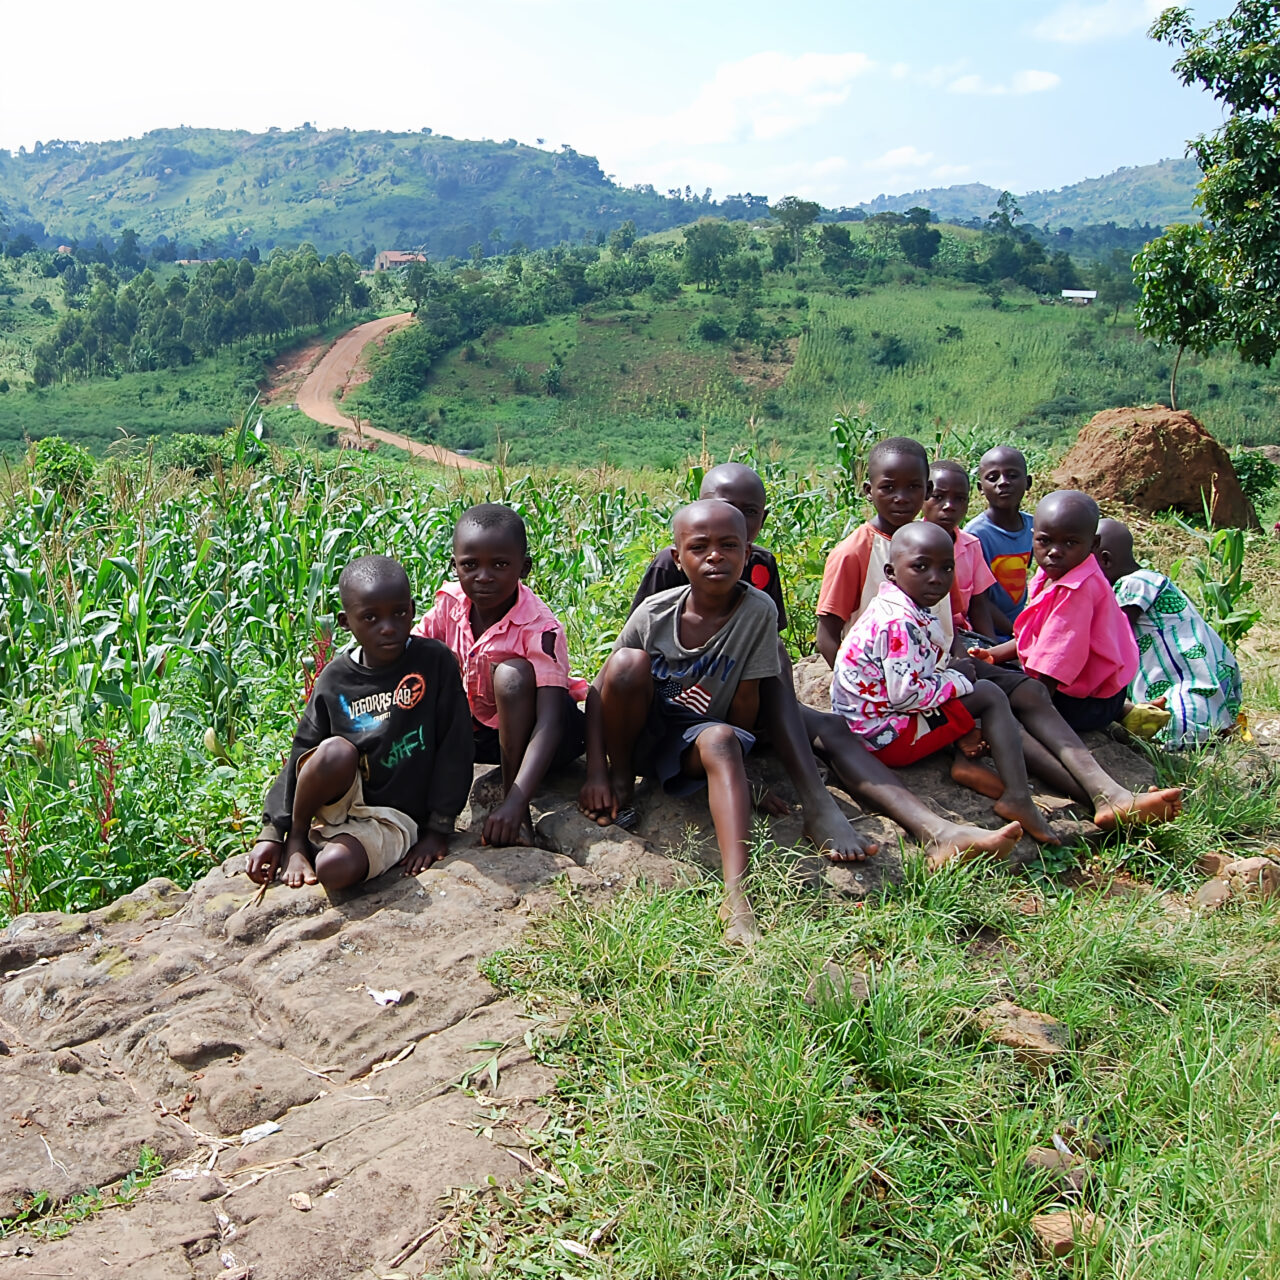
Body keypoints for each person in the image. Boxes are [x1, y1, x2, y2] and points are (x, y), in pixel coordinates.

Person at [628, 461, 876, 862]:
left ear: (759, 522)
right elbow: (636, 653)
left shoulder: (760, 564)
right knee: (776, 682)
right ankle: (814, 798)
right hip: (678, 702)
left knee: (829, 725)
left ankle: (929, 825)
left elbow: (760, 643)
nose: (718, 549)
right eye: (721, 506)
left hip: (737, 692)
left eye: (747, 513)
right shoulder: (670, 565)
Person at [580, 499, 781, 944]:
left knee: (723, 739)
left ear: (748, 553)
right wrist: (597, 770)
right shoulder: (654, 612)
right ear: (677, 558)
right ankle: (621, 781)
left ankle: (737, 895)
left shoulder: (757, 612)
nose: (715, 556)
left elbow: (746, 702)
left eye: (730, 545)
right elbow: (601, 690)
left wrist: (738, 772)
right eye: (699, 547)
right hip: (639, 732)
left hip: (696, 741)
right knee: (628, 665)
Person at [248, 556, 473, 890]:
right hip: (344, 797)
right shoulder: (335, 679)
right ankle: (299, 839)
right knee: (333, 752)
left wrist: (438, 829)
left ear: (412, 609)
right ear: (345, 621)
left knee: (333, 870)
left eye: (399, 613)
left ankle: (327, 845)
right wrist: (273, 832)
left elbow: (456, 746)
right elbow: (302, 753)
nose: (388, 626)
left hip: (394, 816)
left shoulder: (434, 662)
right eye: (370, 617)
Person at [833, 522, 1060, 852]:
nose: (935, 577)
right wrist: (957, 680)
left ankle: (966, 758)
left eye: (946, 567)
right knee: (988, 694)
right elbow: (907, 695)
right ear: (891, 571)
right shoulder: (901, 622)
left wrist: (951, 679)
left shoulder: (896, 605)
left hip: (869, 724)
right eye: (921, 566)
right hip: (885, 738)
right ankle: (1018, 796)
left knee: (965, 688)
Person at [414, 503, 589, 847]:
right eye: (470, 565)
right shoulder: (450, 604)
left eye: (500, 565)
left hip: (551, 734)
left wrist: (515, 803)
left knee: (512, 675)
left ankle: (517, 809)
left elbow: (551, 721)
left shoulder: (539, 627)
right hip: (484, 735)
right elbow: (410, 655)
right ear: (455, 566)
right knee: (423, 661)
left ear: (523, 568)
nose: (483, 576)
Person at [973, 491, 1138, 735]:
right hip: (1093, 690)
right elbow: (1037, 636)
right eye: (1045, 541)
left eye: (1070, 543)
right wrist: (991, 655)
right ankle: (1123, 712)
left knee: (992, 689)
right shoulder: (1053, 573)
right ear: (1034, 538)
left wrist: (1030, 717)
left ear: (1093, 544)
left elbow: (1052, 668)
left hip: (1085, 703)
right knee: (981, 662)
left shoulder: (1078, 591)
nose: (1054, 551)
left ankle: (1113, 716)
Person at [1096, 518, 1242, 746]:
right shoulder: (1152, 580)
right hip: (1196, 679)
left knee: (1174, 727)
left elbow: (1110, 633)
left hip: (1185, 684)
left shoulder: (1134, 583)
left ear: (1105, 560)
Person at [817, 437, 955, 668]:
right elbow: (826, 636)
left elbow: (950, 621)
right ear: (869, 491)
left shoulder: (937, 543)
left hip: (939, 674)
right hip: (882, 684)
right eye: (888, 488)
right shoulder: (854, 552)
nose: (901, 498)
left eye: (913, 487)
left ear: (928, 489)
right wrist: (859, 688)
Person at [922, 459, 1002, 640]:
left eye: (959, 499)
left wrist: (992, 649)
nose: (949, 506)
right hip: (922, 636)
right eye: (938, 497)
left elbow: (978, 604)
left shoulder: (971, 546)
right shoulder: (907, 544)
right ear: (923, 496)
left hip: (961, 636)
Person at [964, 446, 1035, 637]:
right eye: (993, 477)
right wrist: (1017, 633)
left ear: (1028, 482)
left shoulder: (1033, 527)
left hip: (1020, 627)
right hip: (988, 633)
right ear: (980, 488)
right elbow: (979, 600)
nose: (1003, 482)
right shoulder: (975, 535)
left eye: (1012, 475)